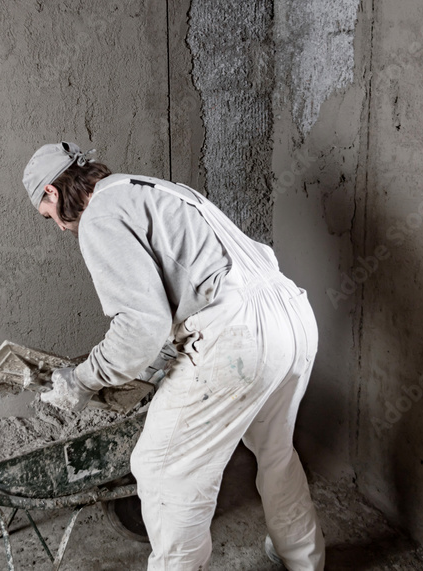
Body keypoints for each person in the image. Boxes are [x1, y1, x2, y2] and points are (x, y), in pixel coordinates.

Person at [22, 141, 325, 571]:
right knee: (274, 449)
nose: (57, 227)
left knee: (162, 472)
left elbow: (140, 325)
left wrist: (83, 380)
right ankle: (303, 557)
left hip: (239, 336)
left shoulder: (100, 216)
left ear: (52, 192)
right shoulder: (150, 188)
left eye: (46, 215)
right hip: (290, 316)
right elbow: (188, 281)